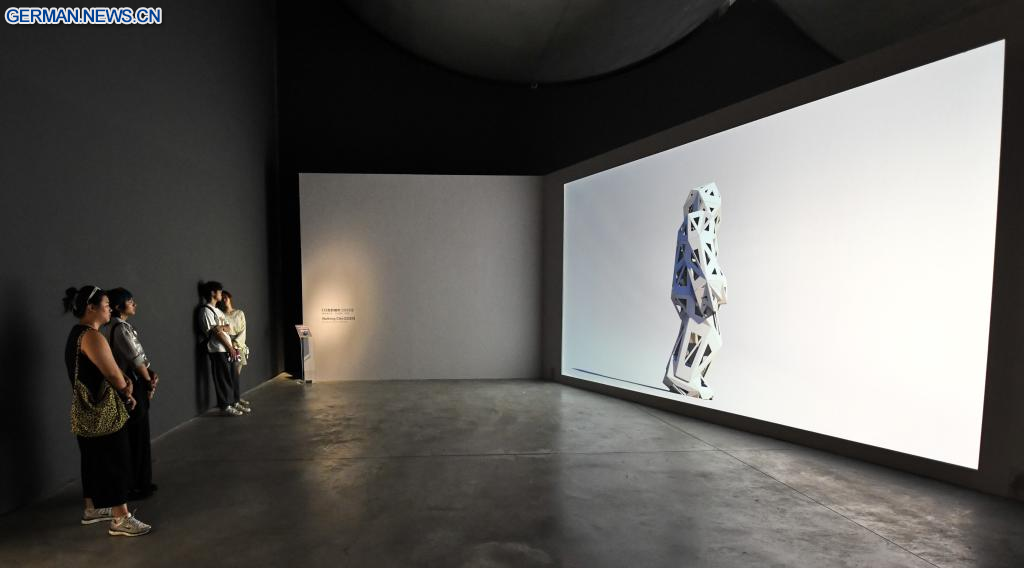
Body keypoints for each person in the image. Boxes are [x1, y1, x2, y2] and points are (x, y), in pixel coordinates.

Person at [63, 285, 152, 537]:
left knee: (92, 458)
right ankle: (120, 518)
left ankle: (91, 509)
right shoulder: (92, 336)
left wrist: (122, 379)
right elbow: (111, 372)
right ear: (91, 308)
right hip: (102, 410)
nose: (110, 309)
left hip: (85, 409)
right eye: (105, 306)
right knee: (115, 458)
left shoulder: (76, 334)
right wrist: (126, 390)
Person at [105, 288, 159, 499]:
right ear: (118, 307)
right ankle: (137, 484)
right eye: (130, 301)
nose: (134, 304)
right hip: (131, 386)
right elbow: (135, 359)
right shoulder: (120, 329)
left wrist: (148, 373)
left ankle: (138, 482)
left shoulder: (115, 327)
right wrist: (147, 381)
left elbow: (138, 359)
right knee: (137, 436)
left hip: (128, 384)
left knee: (135, 436)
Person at [197, 281, 248, 416]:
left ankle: (234, 401)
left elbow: (228, 328)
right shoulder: (206, 310)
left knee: (233, 376)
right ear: (213, 293)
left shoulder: (218, 311)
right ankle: (226, 405)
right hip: (218, 349)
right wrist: (228, 344)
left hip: (227, 348)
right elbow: (216, 333)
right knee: (223, 378)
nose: (221, 294)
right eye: (219, 291)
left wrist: (221, 328)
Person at [218, 290, 252, 410]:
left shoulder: (239, 313)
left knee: (236, 374)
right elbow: (222, 330)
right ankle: (234, 399)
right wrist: (229, 344)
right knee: (230, 374)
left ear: (230, 297)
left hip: (238, 344)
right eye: (222, 298)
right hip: (227, 344)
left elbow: (243, 329)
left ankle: (236, 397)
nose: (224, 300)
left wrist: (236, 343)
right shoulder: (221, 315)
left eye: (226, 297)